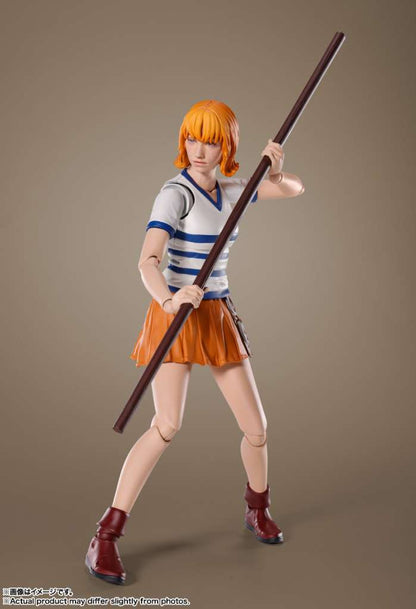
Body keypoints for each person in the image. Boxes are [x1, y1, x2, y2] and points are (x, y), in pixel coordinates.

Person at [85, 100, 305, 585]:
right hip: (176, 313)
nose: (198, 149)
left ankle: (257, 508)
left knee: (257, 429)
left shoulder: (233, 189)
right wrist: (169, 298)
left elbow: (294, 188)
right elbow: (147, 260)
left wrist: (275, 172)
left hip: (217, 314)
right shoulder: (174, 194)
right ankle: (106, 534)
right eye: (191, 138)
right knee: (166, 425)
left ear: (226, 146)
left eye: (210, 141)